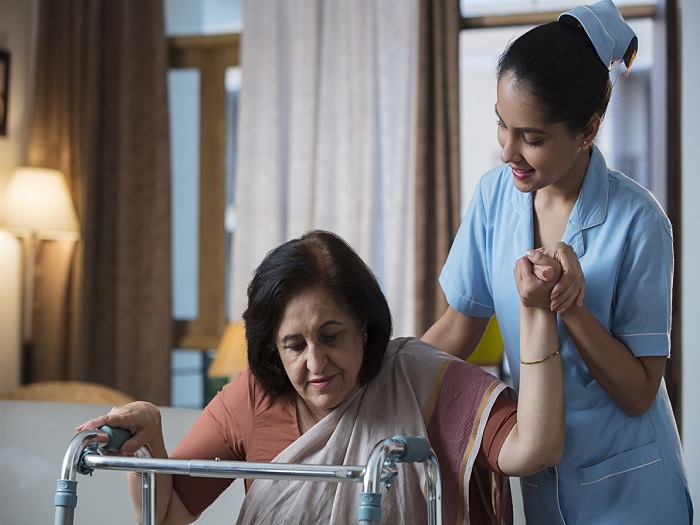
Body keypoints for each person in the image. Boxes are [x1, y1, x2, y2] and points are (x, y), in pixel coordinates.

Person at [78, 229, 565, 524]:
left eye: (331, 336)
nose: (315, 363)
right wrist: (150, 434)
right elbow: (164, 515)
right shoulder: (253, 395)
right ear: (273, 348)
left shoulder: (420, 380)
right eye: (294, 345)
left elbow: (536, 448)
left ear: (365, 328)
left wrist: (538, 313)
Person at [422, 1, 693, 523]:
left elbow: (640, 392)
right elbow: (460, 327)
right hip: (544, 490)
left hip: (632, 494)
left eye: (533, 138)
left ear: (588, 130)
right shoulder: (492, 198)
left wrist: (570, 306)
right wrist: (375, 380)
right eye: (503, 126)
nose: (508, 152)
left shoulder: (639, 222)